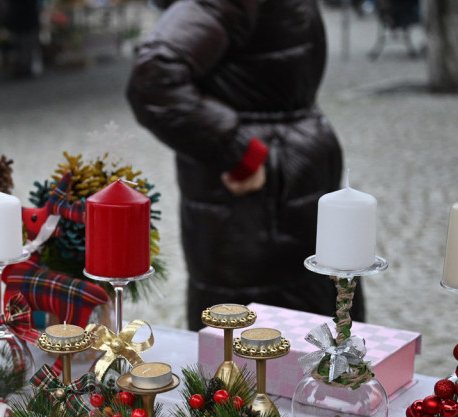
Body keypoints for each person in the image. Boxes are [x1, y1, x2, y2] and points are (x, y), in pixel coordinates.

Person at [126, 0, 364, 330]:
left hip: (288, 183)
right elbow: (154, 77)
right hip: (254, 203)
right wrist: (238, 153)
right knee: (250, 354)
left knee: (313, 341)